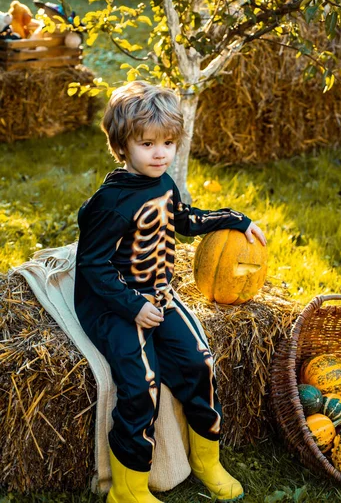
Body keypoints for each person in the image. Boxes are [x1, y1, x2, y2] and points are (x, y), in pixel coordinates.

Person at [74, 81, 267, 503]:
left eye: (168, 143)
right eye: (147, 143)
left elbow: (186, 219)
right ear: (122, 145)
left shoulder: (162, 183)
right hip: (114, 300)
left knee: (200, 362)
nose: (160, 153)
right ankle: (127, 490)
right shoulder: (111, 202)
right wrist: (131, 306)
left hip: (157, 291)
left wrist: (235, 219)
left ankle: (206, 461)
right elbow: (91, 266)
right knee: (142, 383)